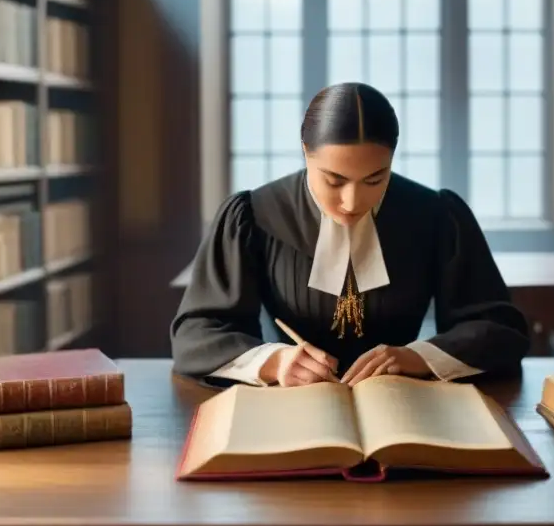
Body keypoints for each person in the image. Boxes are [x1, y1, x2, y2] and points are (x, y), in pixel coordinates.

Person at [170, 82, 531, 388]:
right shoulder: (254, 216)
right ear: (305, 152)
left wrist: (418, 356)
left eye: (375, 179)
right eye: (334, 180)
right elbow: (195, 335)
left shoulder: (435, 215)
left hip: (401, 403)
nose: (351, 202)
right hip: (295, 408)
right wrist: (275, 361)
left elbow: (499, 329)